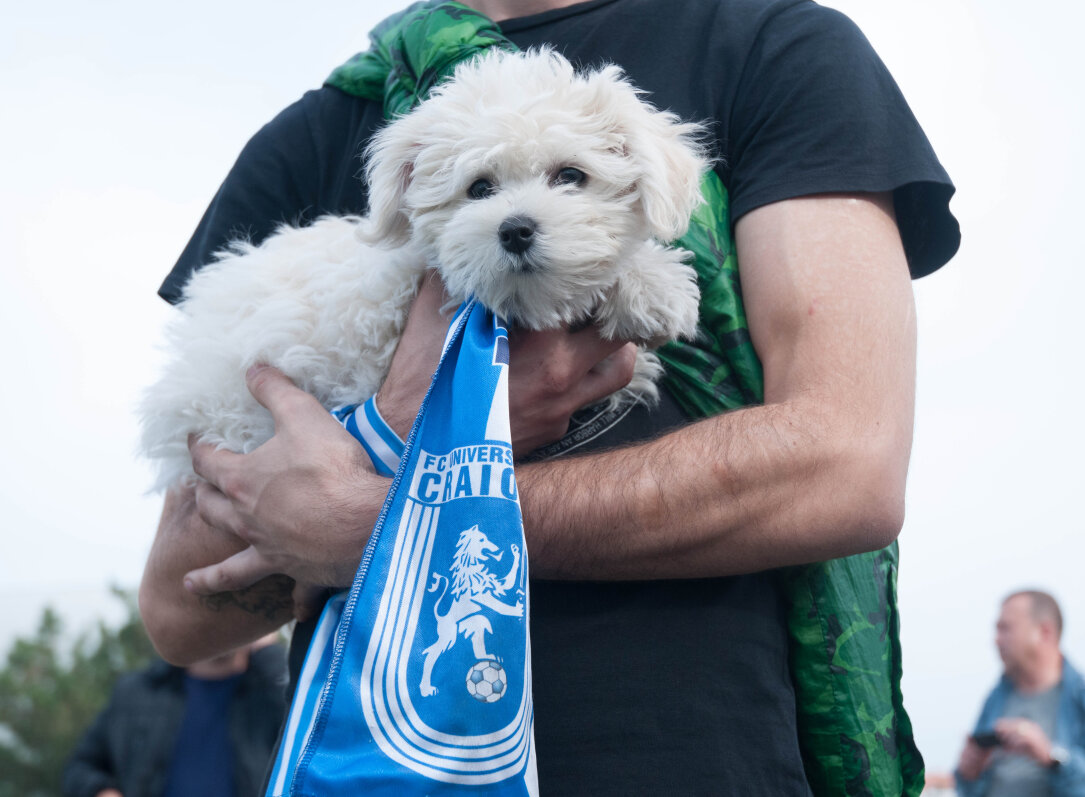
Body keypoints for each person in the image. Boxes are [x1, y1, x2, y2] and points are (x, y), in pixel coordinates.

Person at [138, 0, 960, 792]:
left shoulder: (777, 49)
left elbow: (850, 468)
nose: (522, 215)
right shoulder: (323, 130)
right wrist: (390, 431)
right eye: (480, 186)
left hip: (692, 760)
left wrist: (395, 521)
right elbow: (178, 609)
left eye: (571, 177)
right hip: (378, 768)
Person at [955, 590, 1085, 797]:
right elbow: (969, 788)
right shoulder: (995, 698)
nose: (997, 640)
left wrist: (1052, 757)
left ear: (1045, 632)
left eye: (1006, 629)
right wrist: (969, 773)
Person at [61, 639, 287, 797]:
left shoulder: (275, 692)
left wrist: (270, 654)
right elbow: (80, 767)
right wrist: (104, 792)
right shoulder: (139, 691)